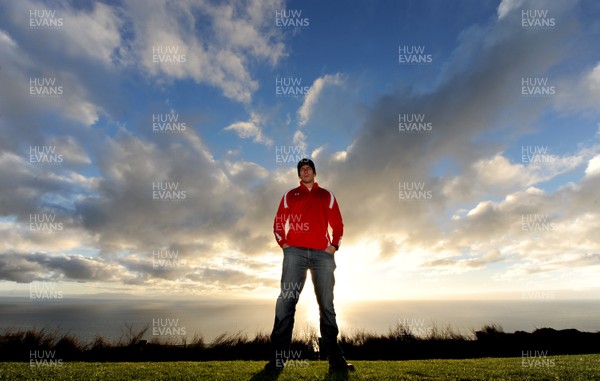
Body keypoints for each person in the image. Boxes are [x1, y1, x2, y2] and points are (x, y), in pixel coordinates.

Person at [264, 158, 355, 373]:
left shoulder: (327, 195)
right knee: (286, 302)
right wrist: (284, 243)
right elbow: (279, 221)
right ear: (299, 174)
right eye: (302, 169)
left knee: (327, 306)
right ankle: (277, 361)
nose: (305, 171)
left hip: (322, 255)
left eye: (309, 168)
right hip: (294, 252)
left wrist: (334, 245)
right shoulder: (289, 195)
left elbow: (338, 223)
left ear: (314, 172)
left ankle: (336, 360)